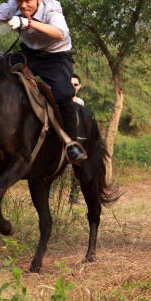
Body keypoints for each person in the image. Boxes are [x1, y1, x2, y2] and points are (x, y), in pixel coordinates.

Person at [0, 0, 86, 163]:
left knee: (64, 93)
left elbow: (60, 33)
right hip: (30, 53)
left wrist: (27, 23)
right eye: (19, 0)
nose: (23, 5)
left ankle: (72, 144)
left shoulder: (52, 7)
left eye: (28, 0)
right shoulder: (12, 6)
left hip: (56, 57)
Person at [68, 74, 85, 204]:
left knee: (78, 166)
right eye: (71, 84)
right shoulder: (61, 100)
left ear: (79, 86)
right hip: (62, 137)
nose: (73, 87)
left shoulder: (80, 102)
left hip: (76, 138)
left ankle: (73, 196)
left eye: (76, 84)